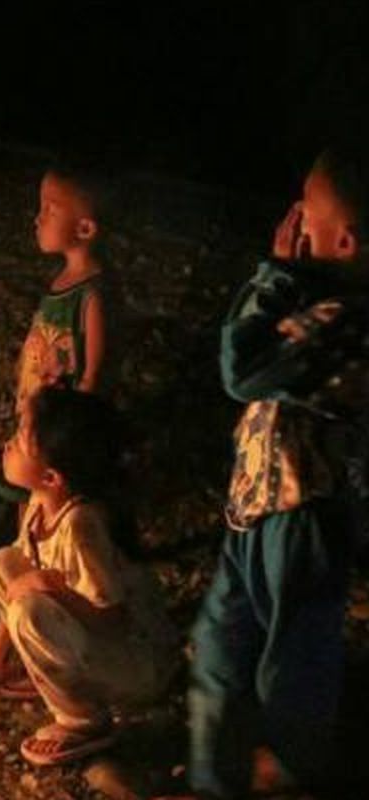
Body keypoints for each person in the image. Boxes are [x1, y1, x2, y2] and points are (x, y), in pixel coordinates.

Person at [174, 148, 369, 799]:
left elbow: (243, 370)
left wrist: (277, 271)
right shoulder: (327, 302)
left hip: (305, 514)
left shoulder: (344, 321)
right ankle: (215, 780)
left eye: (305, 214)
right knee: (222, 648)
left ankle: (286, 777)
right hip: (258, 507)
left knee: (293, 661)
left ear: (342, 239)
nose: (293, 223)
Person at [0, 387, 178, 766]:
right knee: (3, 564)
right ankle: (55, 678)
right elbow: (16, 580)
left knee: (29, 611)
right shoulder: (39, 503)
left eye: (20, 440)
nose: (8, 444)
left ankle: (84, 720)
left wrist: (48, 589)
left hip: (141, 665)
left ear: (51, 476)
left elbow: (113, 619)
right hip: (99, 643)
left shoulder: (82, 526)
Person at [0, 165, 111, 517]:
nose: (38, 218)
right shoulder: (65, 279)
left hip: (57, 423)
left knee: (47, 486)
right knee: (26, 483)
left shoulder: (93, 295)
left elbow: (95, 372)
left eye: (49, 209)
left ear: (85, 228)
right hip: (39, 405)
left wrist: (71, 421)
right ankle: (27, 546)